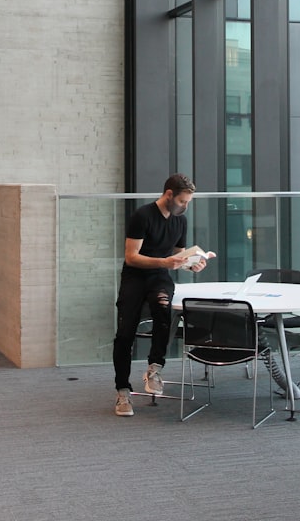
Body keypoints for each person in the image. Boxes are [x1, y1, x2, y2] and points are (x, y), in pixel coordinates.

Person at [112, 173, 207, 417]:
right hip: (135, 276)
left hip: (160, 277)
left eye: (188, 202)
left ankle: (155, 367)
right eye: (183, 201)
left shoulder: (180, 221)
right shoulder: (143, 216)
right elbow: (131, 257)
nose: (185, 206)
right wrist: (165, 261)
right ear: (169, 195)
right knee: (125, 334)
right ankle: (123, 391)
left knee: (163, 311)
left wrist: (193, 264)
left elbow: (180, 256)